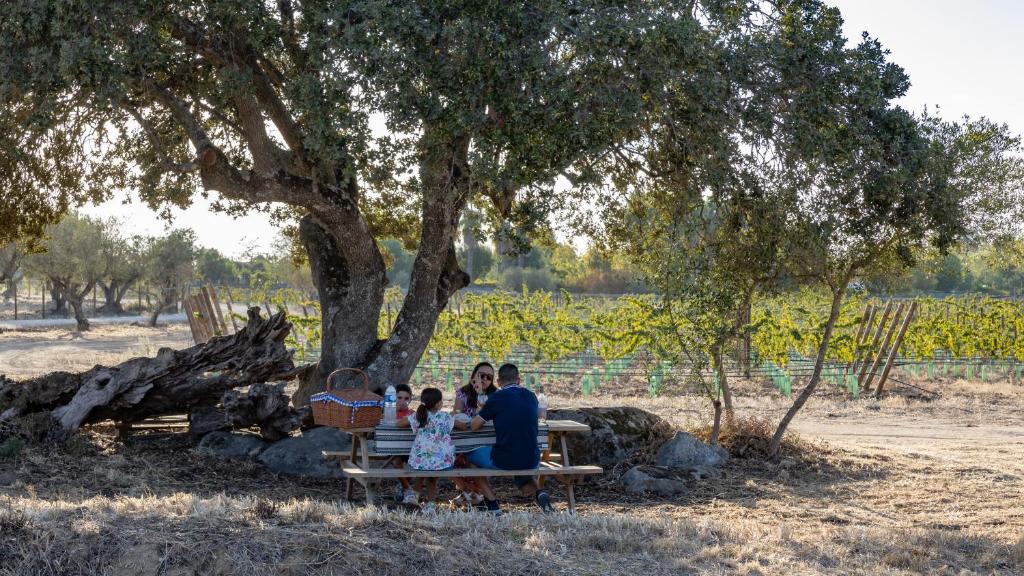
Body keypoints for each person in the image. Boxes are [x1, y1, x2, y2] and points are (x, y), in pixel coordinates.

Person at [469, 363, 554, 514]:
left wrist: (482, 410)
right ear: (519, 380)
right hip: (532, 459)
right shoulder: (531, 396)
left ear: (499, 383)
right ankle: (539, 493)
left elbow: (474, 426)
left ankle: (492, 504)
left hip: (505, 460)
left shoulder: (497, 397)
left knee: (469, 456)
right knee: (522, 471)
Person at [396, 387, 467, 510]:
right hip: (441, 460)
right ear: (439, 403)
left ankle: (414, 498)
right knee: (432, 478)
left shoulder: (418, 415)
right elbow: (462, 426)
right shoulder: (445, 416)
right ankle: (431, 504)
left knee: (423, 471)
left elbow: (399, 424)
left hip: (420, 459)